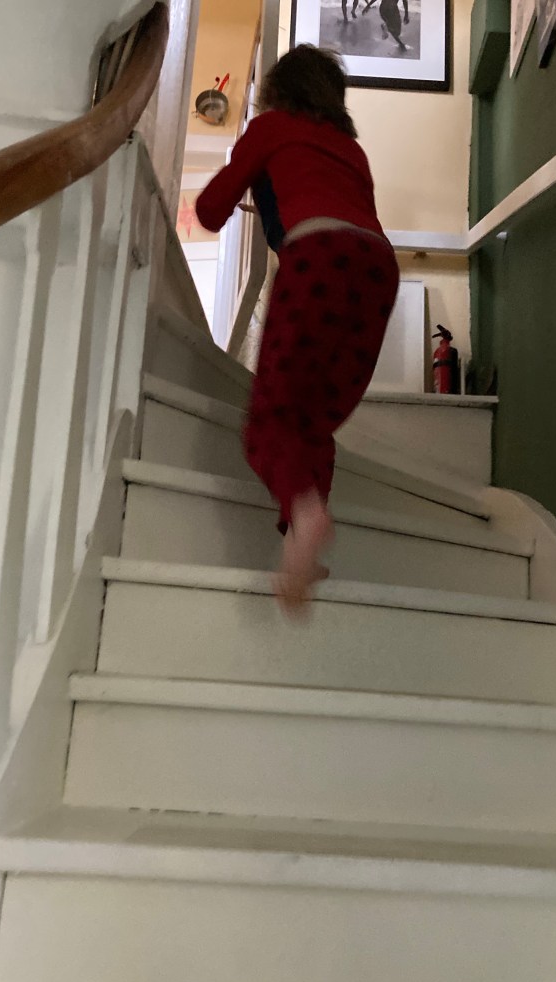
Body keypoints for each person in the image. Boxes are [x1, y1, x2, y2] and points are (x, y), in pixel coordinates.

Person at [196, 45, 399, 617]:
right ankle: (300, 545)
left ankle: (304, 517)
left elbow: (209, 211)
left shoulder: (269, 127)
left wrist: (248, 178)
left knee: (272, 419)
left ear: (276, 91)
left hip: (317, 257)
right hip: (378, 269)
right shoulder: (352, 150)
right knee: (313, 418)